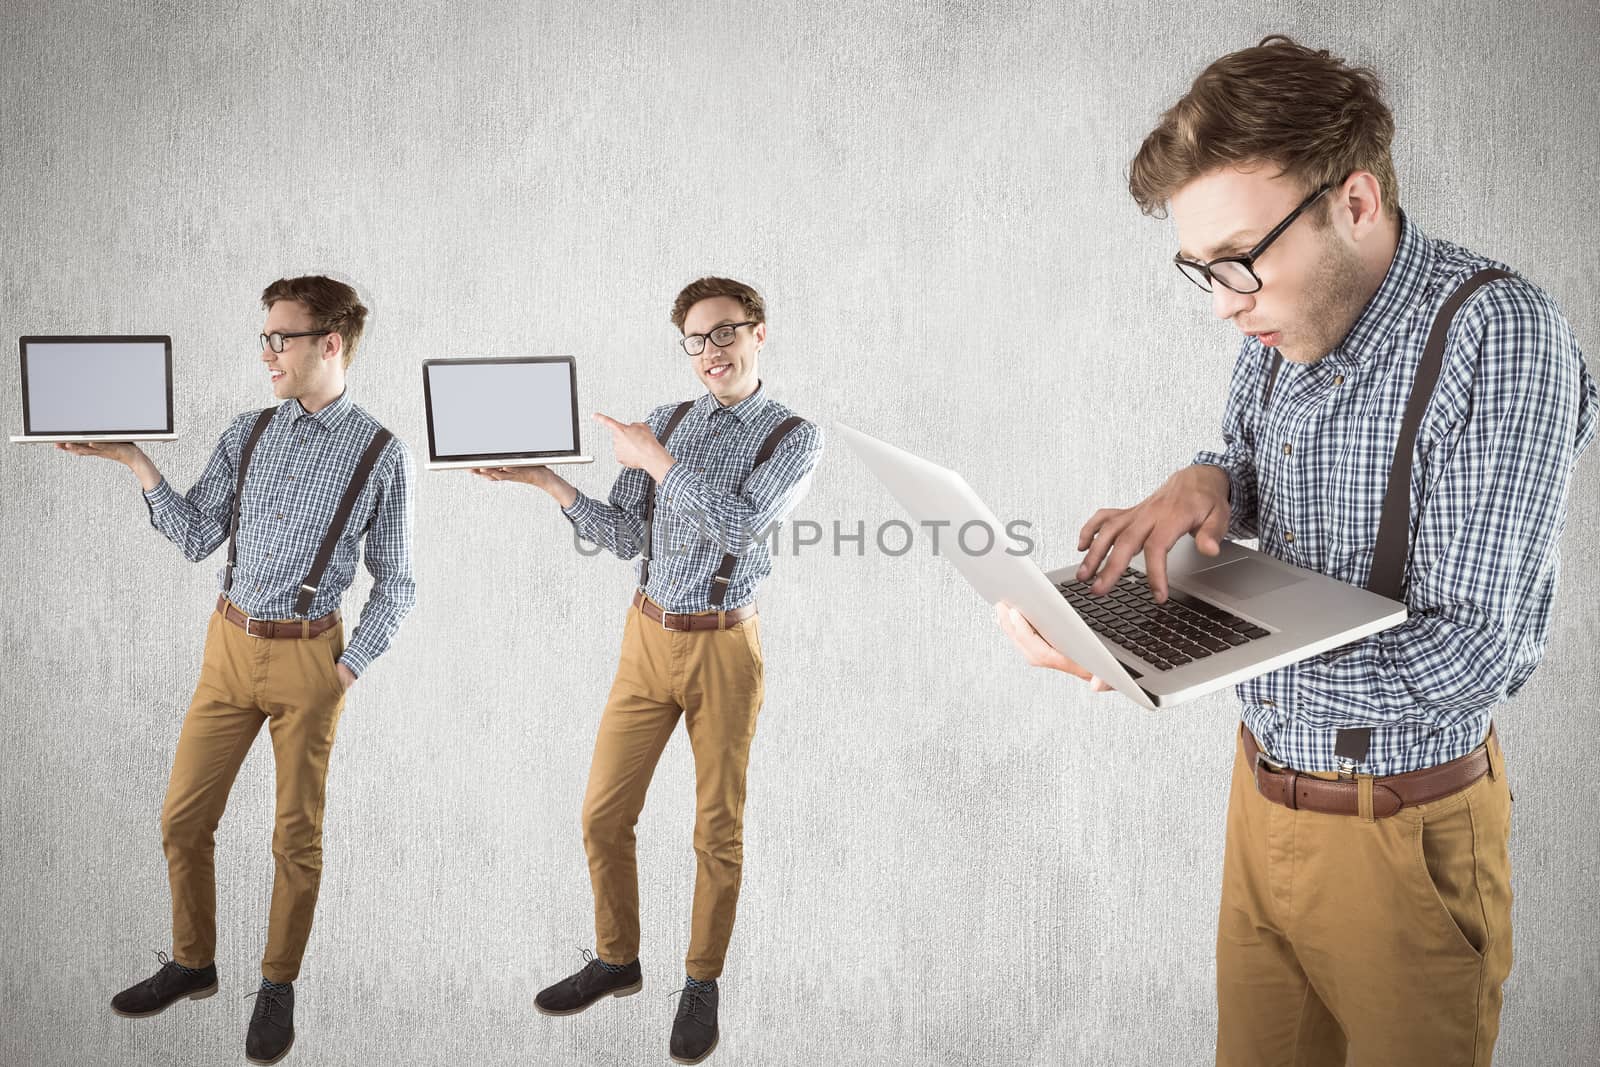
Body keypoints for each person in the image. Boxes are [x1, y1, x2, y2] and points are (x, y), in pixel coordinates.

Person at [994, 37, 1597, 1066]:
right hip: (1259, 800)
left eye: (1238, 261)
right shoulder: (1282, 320)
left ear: (1353, 202)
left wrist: (1182, 645)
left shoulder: (1499, 337)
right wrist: (1207, 479)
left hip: (1398, 834)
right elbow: (1246, 459)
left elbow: (1476, 654)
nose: (1224, 302)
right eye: (1200, 272)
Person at [64, 275, 416, 1065]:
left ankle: (278, 984)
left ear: (330, 342)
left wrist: (348, 667)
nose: (267, 353)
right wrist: (134, 461)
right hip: (227, 647)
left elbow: (398, 581)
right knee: (182, 819)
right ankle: (194, 963)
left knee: (295, 838)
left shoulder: (381, 453)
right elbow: (195, 537)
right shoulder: (247, 431)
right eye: (264, 337)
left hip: (311, 659)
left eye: (279, 338)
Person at [474, 276, 823, 1064]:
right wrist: (551, 485)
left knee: (715, 829)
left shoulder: (793, 437)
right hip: (646, 638)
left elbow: (738, 526)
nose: (712, 352)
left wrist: (658, 460)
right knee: (602, 813)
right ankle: (617, 957)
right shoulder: (661, 422)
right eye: (696, 341)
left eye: (726, 333)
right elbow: (628, 535)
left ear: (759, 333)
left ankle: (701, 981)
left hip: (725, 647)